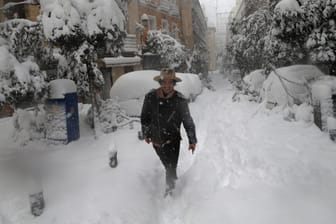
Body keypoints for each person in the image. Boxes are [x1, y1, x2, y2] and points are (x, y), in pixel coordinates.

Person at [140, 68, 197, 196]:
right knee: (167, 165)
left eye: (170, 82)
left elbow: (188, 121)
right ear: (160, 83)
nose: (167, 85)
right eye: (164, 82)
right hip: (156, 140)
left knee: (171, 166)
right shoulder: (150, 97)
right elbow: (144, 117)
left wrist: (192, 140)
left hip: (173, 140)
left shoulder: (180, 100)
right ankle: (173, 180)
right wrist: (146, 133)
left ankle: (170, 191)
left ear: (174, 83)